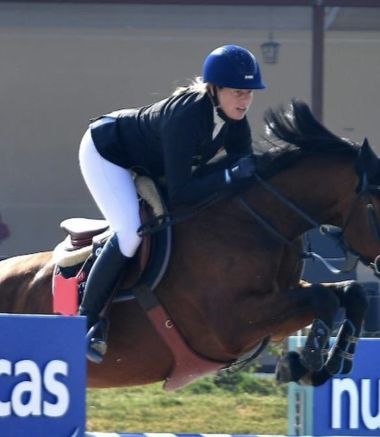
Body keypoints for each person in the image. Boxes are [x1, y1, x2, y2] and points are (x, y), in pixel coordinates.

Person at [77, 44, 266, 362]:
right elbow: (182, 192)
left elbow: (243, 170)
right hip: (107, 153)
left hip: (148, 162)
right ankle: (87, 322)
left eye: (249, 92)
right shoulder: (187, 116)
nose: (245, 100)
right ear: (215, 89)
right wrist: (232, 176)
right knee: (130, 231)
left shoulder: (234, 121)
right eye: (237, 92)